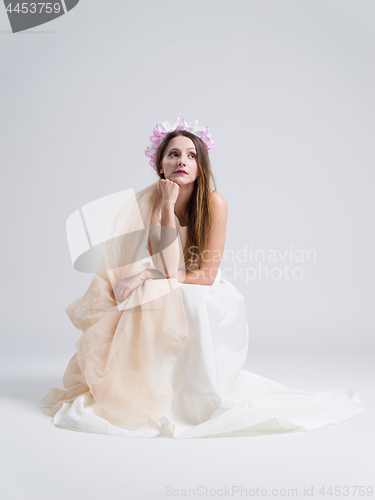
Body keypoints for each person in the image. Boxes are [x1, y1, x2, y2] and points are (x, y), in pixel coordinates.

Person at [39, 117, 363, 439]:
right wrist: (166, 206)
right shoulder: (153, 203)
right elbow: (166, 266)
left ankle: (193, 396)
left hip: (204, 284)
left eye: (191, 155)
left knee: (179, 297)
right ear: (160, 167)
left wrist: (145, 277)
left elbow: (205, 276)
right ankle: (149, 388)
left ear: (201, 165)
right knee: (149, 296)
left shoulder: (214, 203)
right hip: (168, 276)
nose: (182, 160)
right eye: (173, 154)